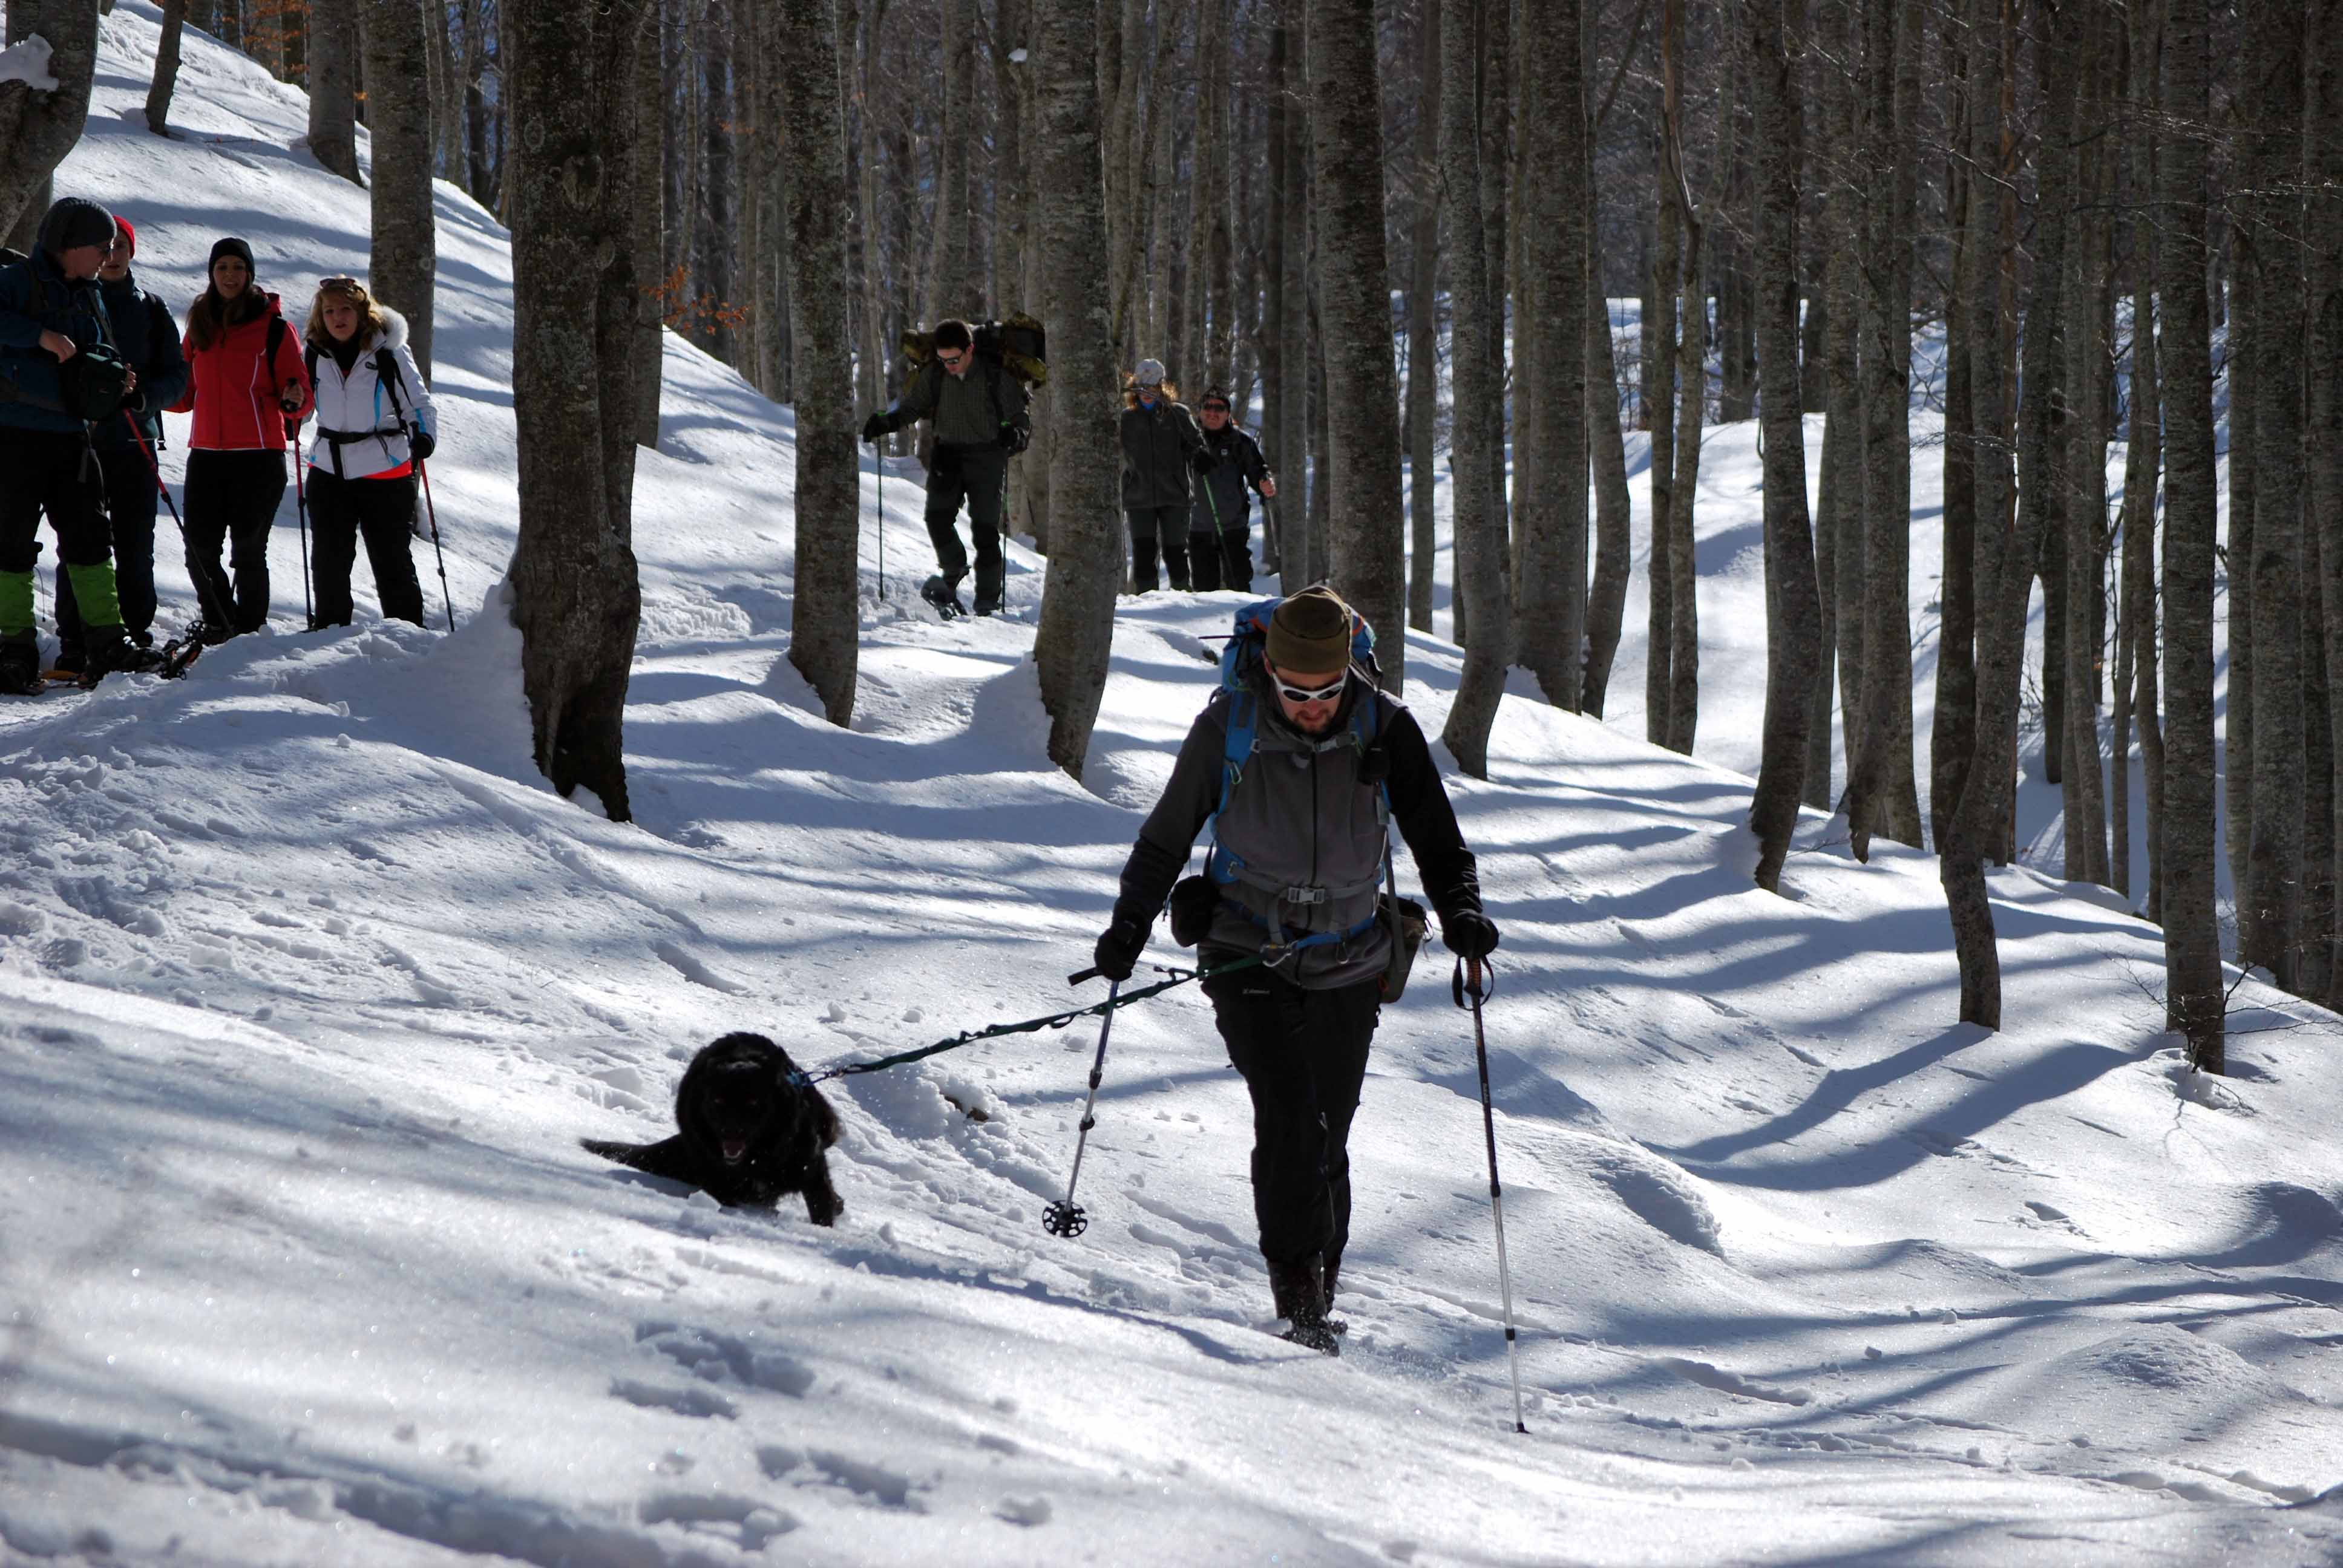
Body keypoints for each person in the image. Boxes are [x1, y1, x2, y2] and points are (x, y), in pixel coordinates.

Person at [1090, 587, 1500, 1352]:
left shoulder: (1388, 729)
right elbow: (1164, 840)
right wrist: (1127, 927)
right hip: (1245, 943)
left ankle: (1323, 1276)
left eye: (1328, 692)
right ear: (1268, 677)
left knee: (1329, 1128)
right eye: (1293, 693)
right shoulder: (1227, 728)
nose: (1311, 707)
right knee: (1287, 1110)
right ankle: (1298, 1294)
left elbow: (1439, 843)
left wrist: (1463, 914)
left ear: (1351, 675)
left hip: (1351, 953)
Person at [0, 196, 169, 692]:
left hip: (73, 437)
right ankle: (14, 648)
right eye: (100, 245)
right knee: (9, 545)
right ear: (69, 244)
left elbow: (96, 348)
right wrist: (40, 336)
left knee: (91, 540)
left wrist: (113, 377)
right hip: (13, 434)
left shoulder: (89, 292)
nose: (106, 254)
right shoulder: (14, 281)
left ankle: (106, 643)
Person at [52, 217, 190, 673]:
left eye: (120, 247)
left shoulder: (149, 308)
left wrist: (146, 398)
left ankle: (134, 634)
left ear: (132, 252)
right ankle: (75, 641)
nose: (112, 255)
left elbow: (178, 376)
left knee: (135, 544)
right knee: (78, 542)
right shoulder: (71, 301)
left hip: (135, 440)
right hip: (80, 441)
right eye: (104, 247)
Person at [168, 237, 313, 642]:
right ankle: (221, 624)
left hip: (259, 457)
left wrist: (295, 399)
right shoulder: (200, 323)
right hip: (207, 456)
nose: (229, 275)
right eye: (222, 268)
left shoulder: (276, 329)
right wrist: (145, 391)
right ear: (212, 275)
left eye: (237, 267)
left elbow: (299, 393)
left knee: (248, 553)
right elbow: (184, 395)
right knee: (199, 551)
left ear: (250, 274)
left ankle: (248, 633)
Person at [860, 319, 1031, 618]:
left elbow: (1020, 418)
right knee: (937, 518)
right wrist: (886, 422)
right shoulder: (935, 375)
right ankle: (953, 572)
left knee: (985, 530)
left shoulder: (995, 376)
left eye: (954, 359)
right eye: (943, 359)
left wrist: (1015, 434)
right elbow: (912, 408)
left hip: (987, 456)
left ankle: (988, 604)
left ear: (970, 350)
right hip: (947, 453)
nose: (949, 365)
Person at [296, 276, 434, 628]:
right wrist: (292, 410)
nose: (337, 318)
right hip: (328, 469)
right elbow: (305, 408)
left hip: (383, 470)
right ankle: (328, 633)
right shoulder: (313, 353)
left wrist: (424, 436)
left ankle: (407, 635)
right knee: (329, 561)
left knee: (391, 561)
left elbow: (417, 402)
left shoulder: (388, 350)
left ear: (362, 312)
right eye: (329, 311)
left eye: (345, 309)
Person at [1118, 359, 1210, 592]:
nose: (1147, 394)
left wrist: (1200, 456)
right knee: (1144, 551)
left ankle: (1182, 593)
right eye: (1141, 388)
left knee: (1176, 550)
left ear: (1161, 386)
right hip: (1139, 494)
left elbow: (1195, 443)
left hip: (1175, 494)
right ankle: (1146, 598)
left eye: (1152, 388)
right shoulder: (1126, 418)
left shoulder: (1177, 413)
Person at [1187, 387, 1276, 593]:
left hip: (1233, 526)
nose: (1213, 413)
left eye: (1219, 408)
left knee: (1239, 585)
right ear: (1200, 412)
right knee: (1203, 590)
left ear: (1228, 413)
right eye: (1208, 407)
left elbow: (1258, 471)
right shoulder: (1189, 440)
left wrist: (1265, 483)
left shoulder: (1240, 441)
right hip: (1198, 527)